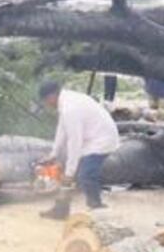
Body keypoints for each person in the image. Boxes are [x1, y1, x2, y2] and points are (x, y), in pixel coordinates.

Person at [37, 81, 120, 220]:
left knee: (86, 175)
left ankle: (98, 209)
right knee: (71, 173)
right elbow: (62, 129)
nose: (47, 105)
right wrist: (54, 154)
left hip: (101, 140)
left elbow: (74, 141)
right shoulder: (67, 101)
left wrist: (69, 173)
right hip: (93, 137)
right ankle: (61, 210)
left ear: (51, 97)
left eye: (46, 101)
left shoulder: (70, 108)